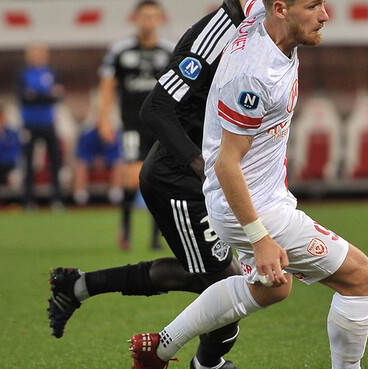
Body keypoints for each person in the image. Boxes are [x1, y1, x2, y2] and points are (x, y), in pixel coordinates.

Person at [127, 2, 368, 369]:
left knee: (273, 286)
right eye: (313, 6)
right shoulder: (256, 77)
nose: (325, 15)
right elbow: (227, 163)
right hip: (253, 206)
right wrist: (259, 237)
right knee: (360, 278)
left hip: (251, 199)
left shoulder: (260, 15)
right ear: (281, 10)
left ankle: (160, 348)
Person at [48, 1, 261, 368]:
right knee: (226, 284)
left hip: (205, 177)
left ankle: (78, 285)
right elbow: (155, 108)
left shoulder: (258, 30)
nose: (321, 13)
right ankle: (203, 363)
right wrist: (202, 166)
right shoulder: (217, 30)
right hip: (177, 179)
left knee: (216, 280)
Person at [97, 0, 174, 250]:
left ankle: (156, 237)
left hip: (161, 126)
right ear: (136, 19)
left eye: (153, 17)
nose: (148, 22)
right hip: (132, 125)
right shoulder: (120, 51)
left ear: (160, 19)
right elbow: (108, 85)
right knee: (132, 179)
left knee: (159, 179)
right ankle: (126, 229)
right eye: (144, 17)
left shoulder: (170, 51)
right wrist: (104, 119)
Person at [17, 42, 64, 210]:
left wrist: (36, 96)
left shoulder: (51, 73)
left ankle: (57, 198)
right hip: (29, 124)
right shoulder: (23, 74)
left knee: (54, 160)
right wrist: (47, 95)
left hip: (48, 123)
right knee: (28, 162)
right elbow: (23, 97)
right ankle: (28, 199)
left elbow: (58, 95)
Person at [71, 125, 122, 205]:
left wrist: (104, 160)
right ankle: (80, 196)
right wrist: (94, 161)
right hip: (90, 164)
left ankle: (115, 195)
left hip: (108, 164)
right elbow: (82, 155)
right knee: (80, 166)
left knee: (118, 165)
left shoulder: (113, 135)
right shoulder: (87, 135)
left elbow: (116, 156)